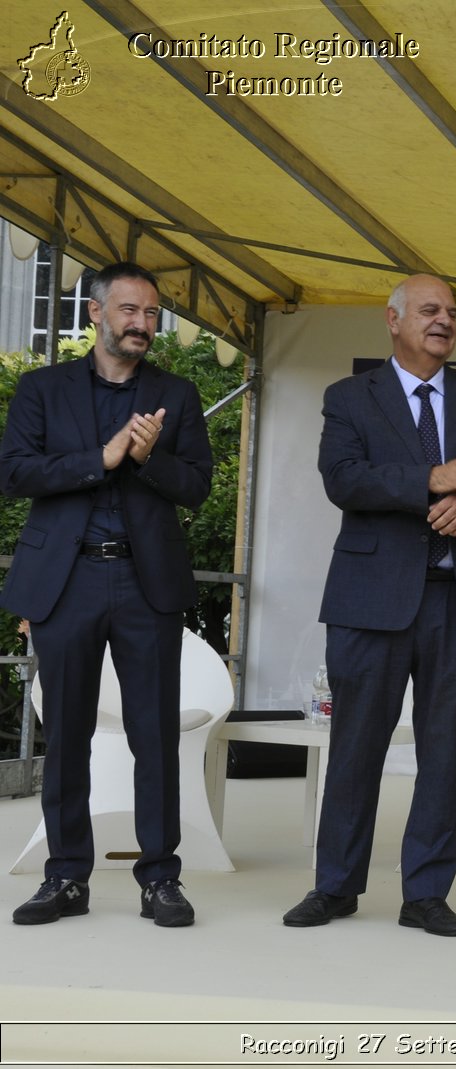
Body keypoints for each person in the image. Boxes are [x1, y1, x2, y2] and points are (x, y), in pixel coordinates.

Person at [281, 274, 456, 937]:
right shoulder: (350, 397)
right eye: (429, 309)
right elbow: (344, 478)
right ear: (393, 320)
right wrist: (432, 477)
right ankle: (335, 885)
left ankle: (426, 893)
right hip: (370, 603)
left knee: (442, 751)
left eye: (451, 311)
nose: (443, 319)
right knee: (355, 747)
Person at [1, 261, 213, 927]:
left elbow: (198, 486)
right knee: (66, 734)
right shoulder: (41, 389)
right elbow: (15, 472)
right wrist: (105, 456)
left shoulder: (176, 395)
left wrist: (149, 459)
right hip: (66, 582)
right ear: (94, 313)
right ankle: (66, 877)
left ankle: (160, 879)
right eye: (129, 311)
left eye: (151, 314)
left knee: (155, 736)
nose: (142, 324)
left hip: (147, 583)